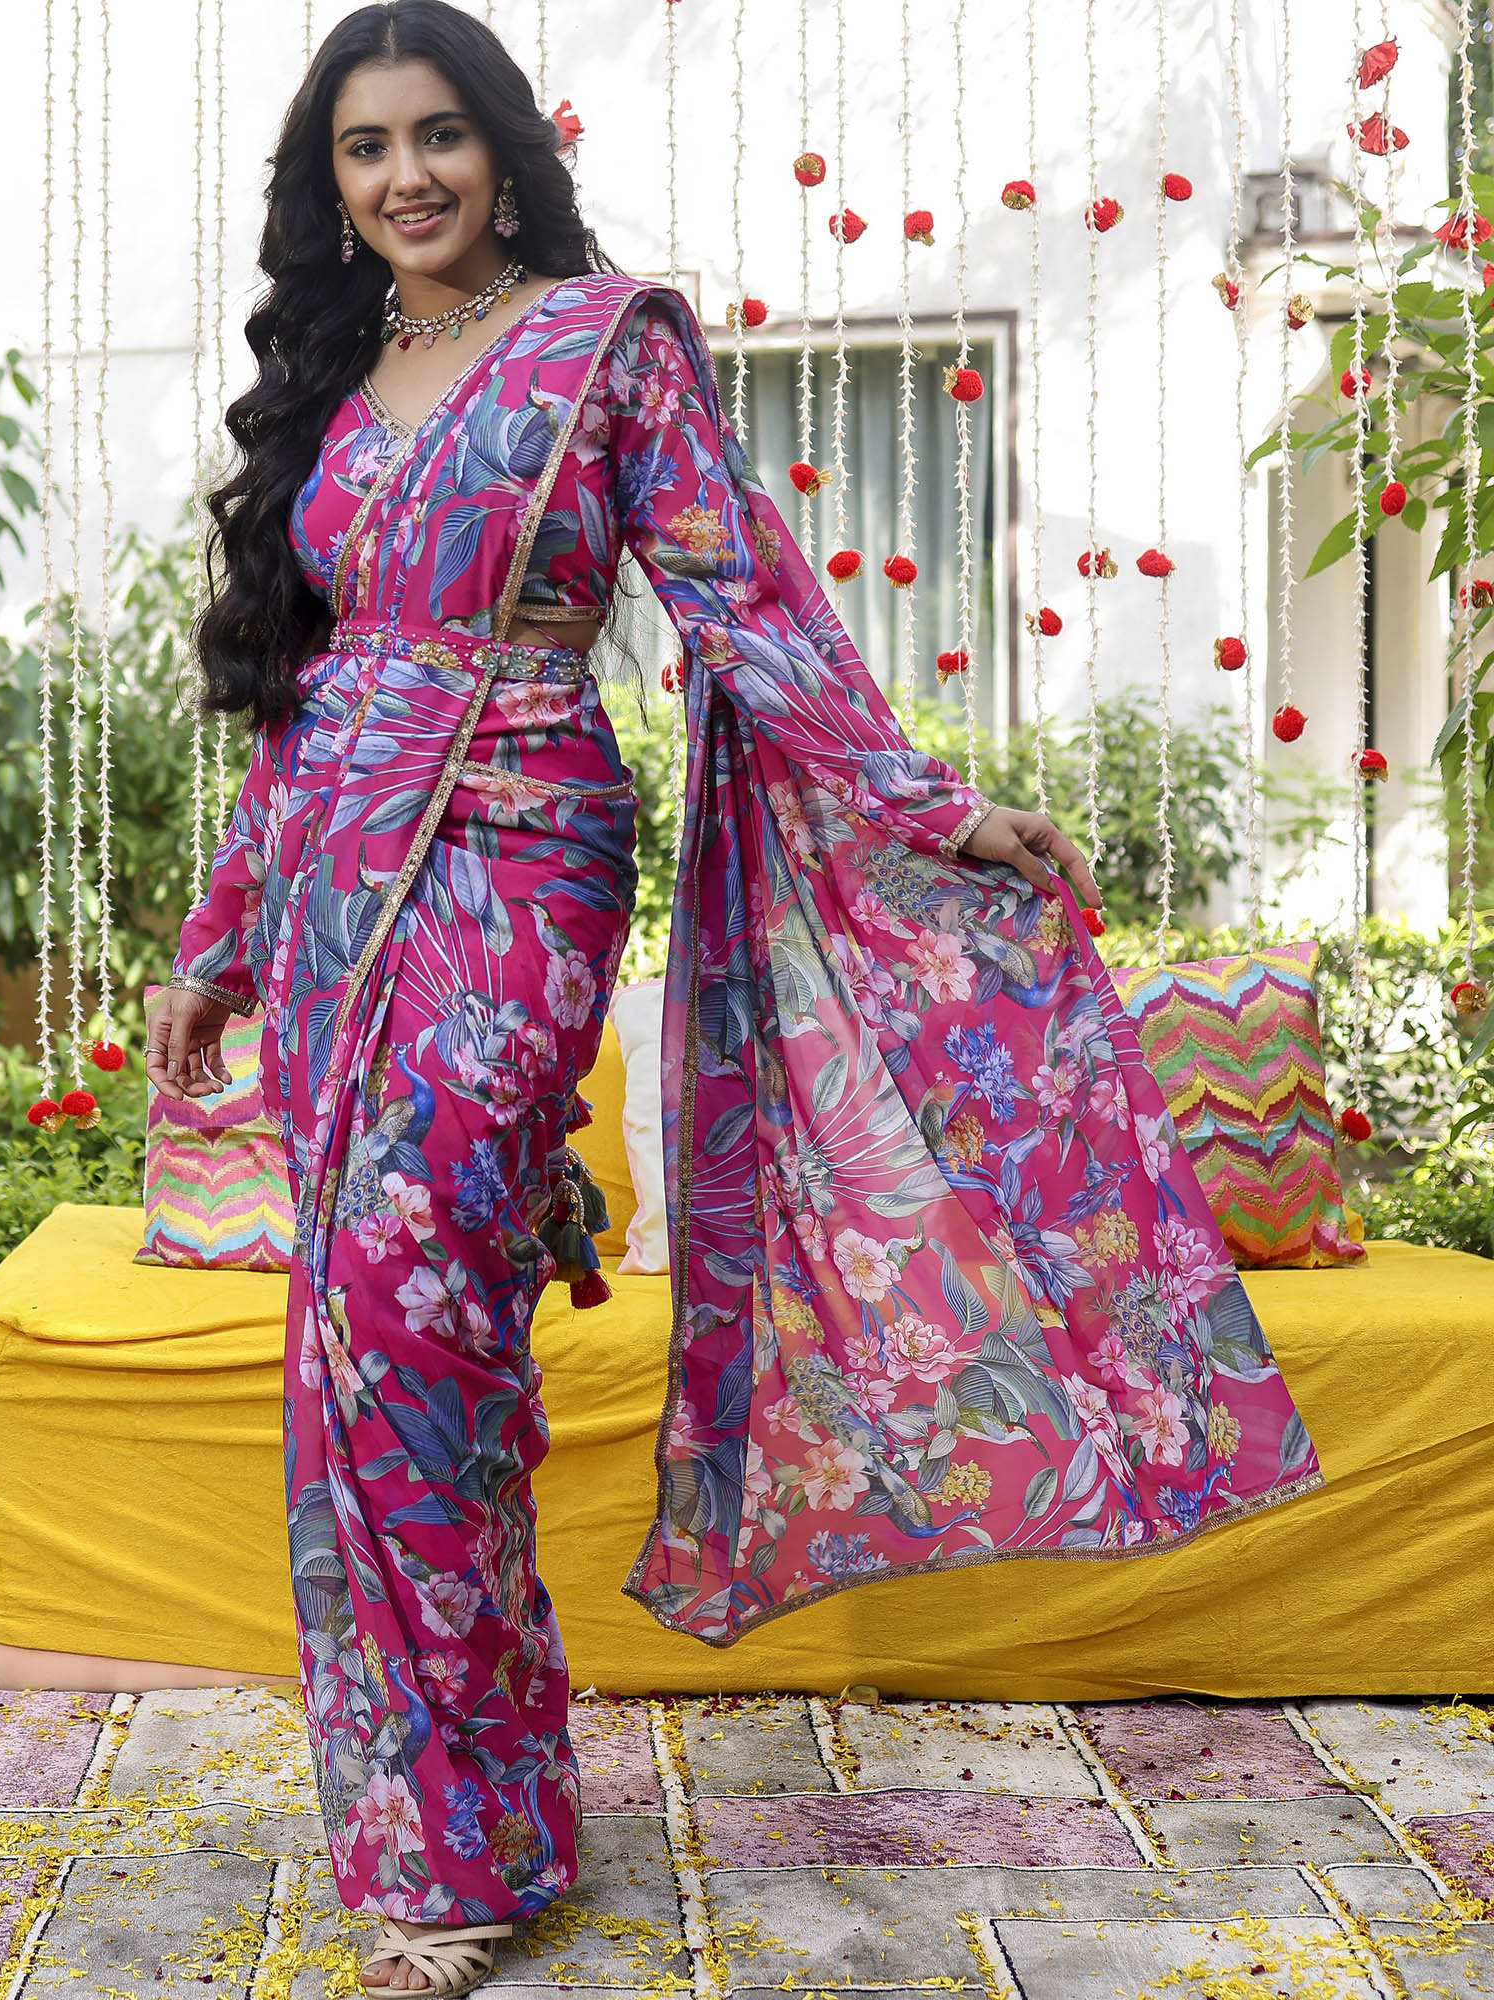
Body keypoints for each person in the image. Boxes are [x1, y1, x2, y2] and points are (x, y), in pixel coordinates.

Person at [147, 4, 1324, 1991]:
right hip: (341, 900)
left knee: (408, 1306)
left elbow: (743, 611)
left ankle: (457, 1847)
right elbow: (301, 704)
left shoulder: (609, 345)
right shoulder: (344, 382)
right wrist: (216, 942)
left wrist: (933, 807)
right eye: (364, 149)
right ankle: (470, 1812)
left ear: (501, 150)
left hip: (516, 872)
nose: (404, 175)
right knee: (368, 1352)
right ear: (329, 187)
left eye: (438, 135)